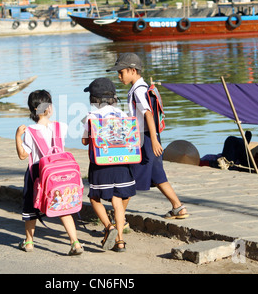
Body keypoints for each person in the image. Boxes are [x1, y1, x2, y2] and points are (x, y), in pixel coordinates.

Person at [107, 53, 189, 219]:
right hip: (150, 138)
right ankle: (178, 207)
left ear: (132, 70)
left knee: (129, 180)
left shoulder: (138, 90)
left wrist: (152, 141)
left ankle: (118, 220)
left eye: (121, 72)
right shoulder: (140, 88)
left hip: (145, 140)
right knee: (158, 175)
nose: (119, 76)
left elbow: (148, 115)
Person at [15, 89, 84, 255]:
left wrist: (18, 136)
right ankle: (75, 243)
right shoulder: (62, 127)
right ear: (50, 108)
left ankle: (29, 242)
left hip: (37, 173)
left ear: (32, 110)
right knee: (64, 207)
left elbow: (23, 155)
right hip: (59, 173)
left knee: (30, 210)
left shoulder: (30, 131)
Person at [81, 78, 136, 252]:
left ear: (94, 98)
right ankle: (120, 241)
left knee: (94, 198)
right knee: (118, 200)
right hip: (122, 163)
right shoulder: (123, 114)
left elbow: (84, 141)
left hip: (101, 163)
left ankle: (108, 227)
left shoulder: (91, 117)